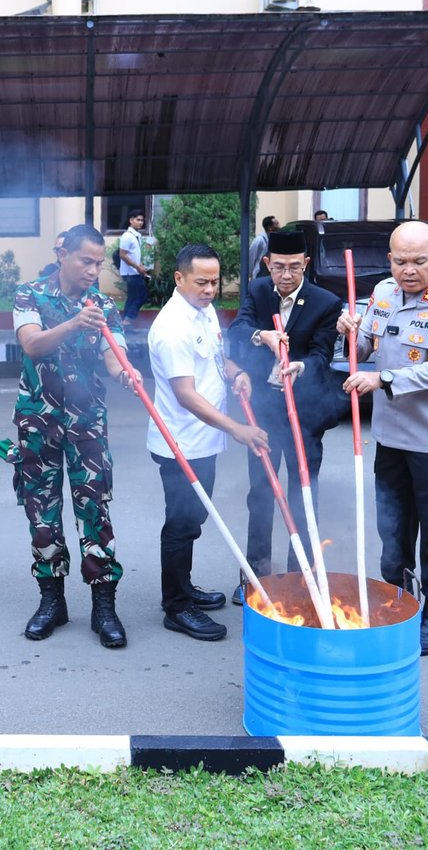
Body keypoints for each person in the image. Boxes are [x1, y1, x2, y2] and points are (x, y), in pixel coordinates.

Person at [337, 221, 428, 656]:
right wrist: (350, 334)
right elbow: (362, 352)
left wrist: (382, 379)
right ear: (389, 260)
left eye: (419, 261)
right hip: (390, 436)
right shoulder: (381, 293)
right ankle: (396, 598)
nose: (408, 270)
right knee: (392, 523)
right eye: (400, 261)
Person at [12, 223, 139, 648]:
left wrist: (126, 373)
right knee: (42, 514)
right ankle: (52, 601)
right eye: (86, 261)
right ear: (61, 252)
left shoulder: (102, 304)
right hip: (38, 423)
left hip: (87, 425)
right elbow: (31, 345)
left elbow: (113, 357)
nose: (93, 270)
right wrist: (72, 323)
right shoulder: (29, 294)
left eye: (99, 263)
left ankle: (104, 605)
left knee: (96, 511)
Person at [147, 244, 269, 642]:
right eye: (201, 281)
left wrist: (235, 372)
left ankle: (184, 588)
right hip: (180, 444)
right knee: (181, 525)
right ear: (179, 279)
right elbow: (186, 393)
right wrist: (237, 428)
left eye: (216, 281)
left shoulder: (203, 310)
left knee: (194, 521)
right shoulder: (171, 328)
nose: (211, 289)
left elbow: (214, 358)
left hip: (204, 442)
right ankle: (176, 606)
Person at [228, 229, 344, 603]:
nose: (287, 275)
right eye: (279, 267)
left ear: (306, 265)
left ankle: (299, 579)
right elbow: (238, 330)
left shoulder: (325, 302)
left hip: (305, 414)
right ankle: (256, 575)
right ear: (267, 264)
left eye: (295, 267)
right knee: (260, 493)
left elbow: (323, 355)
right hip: (262, 410)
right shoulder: (258, 291)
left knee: (303, 494)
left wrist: (301, 366)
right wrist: (262, 336)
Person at [117, 210, 150, 323]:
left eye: (142, 220)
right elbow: (122, 255)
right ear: (131, 220)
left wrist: (141, 267)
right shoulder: (127, 236)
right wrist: (137, 267)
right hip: (130, 273)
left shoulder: (136, 236)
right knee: (142, 294)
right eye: (138, 220)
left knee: (132, 296)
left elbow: (134, 255)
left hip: (135, 271)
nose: (141, 222)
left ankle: (126, 319)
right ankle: (129, 318)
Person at [248, 215, 279, 281]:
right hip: (259, 276)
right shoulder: (259, 240)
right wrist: (250, 273)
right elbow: (251, 257)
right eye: (276, 224)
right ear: (270, 227)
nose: (279, 226)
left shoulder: (272, 240)